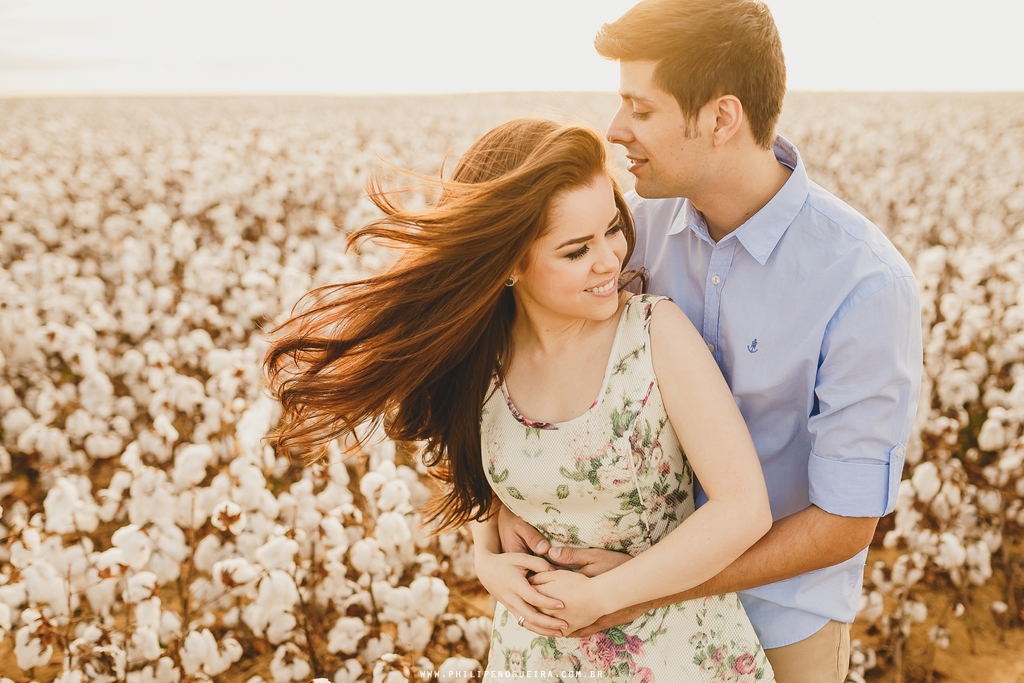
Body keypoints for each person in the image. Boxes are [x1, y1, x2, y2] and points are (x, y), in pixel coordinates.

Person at [484, 2, 924, 682]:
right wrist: (495, 515)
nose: (617, 129)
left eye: (642, 107)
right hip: (610, 609)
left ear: (721, 118)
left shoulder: (865, 283)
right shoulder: (626, 230)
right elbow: (538, 372)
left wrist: (650, 586)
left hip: (781, 620)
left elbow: (845, 522)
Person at [265, 117, 777, 680]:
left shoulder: (655, 334)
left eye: (612, 228)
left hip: (676, 648)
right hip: (536, 656)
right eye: (576, 250)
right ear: (510, 262)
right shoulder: (478, 365)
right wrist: (487, 565)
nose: (610, 259)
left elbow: (744, 511)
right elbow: (487, 496)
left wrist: (604, 596)